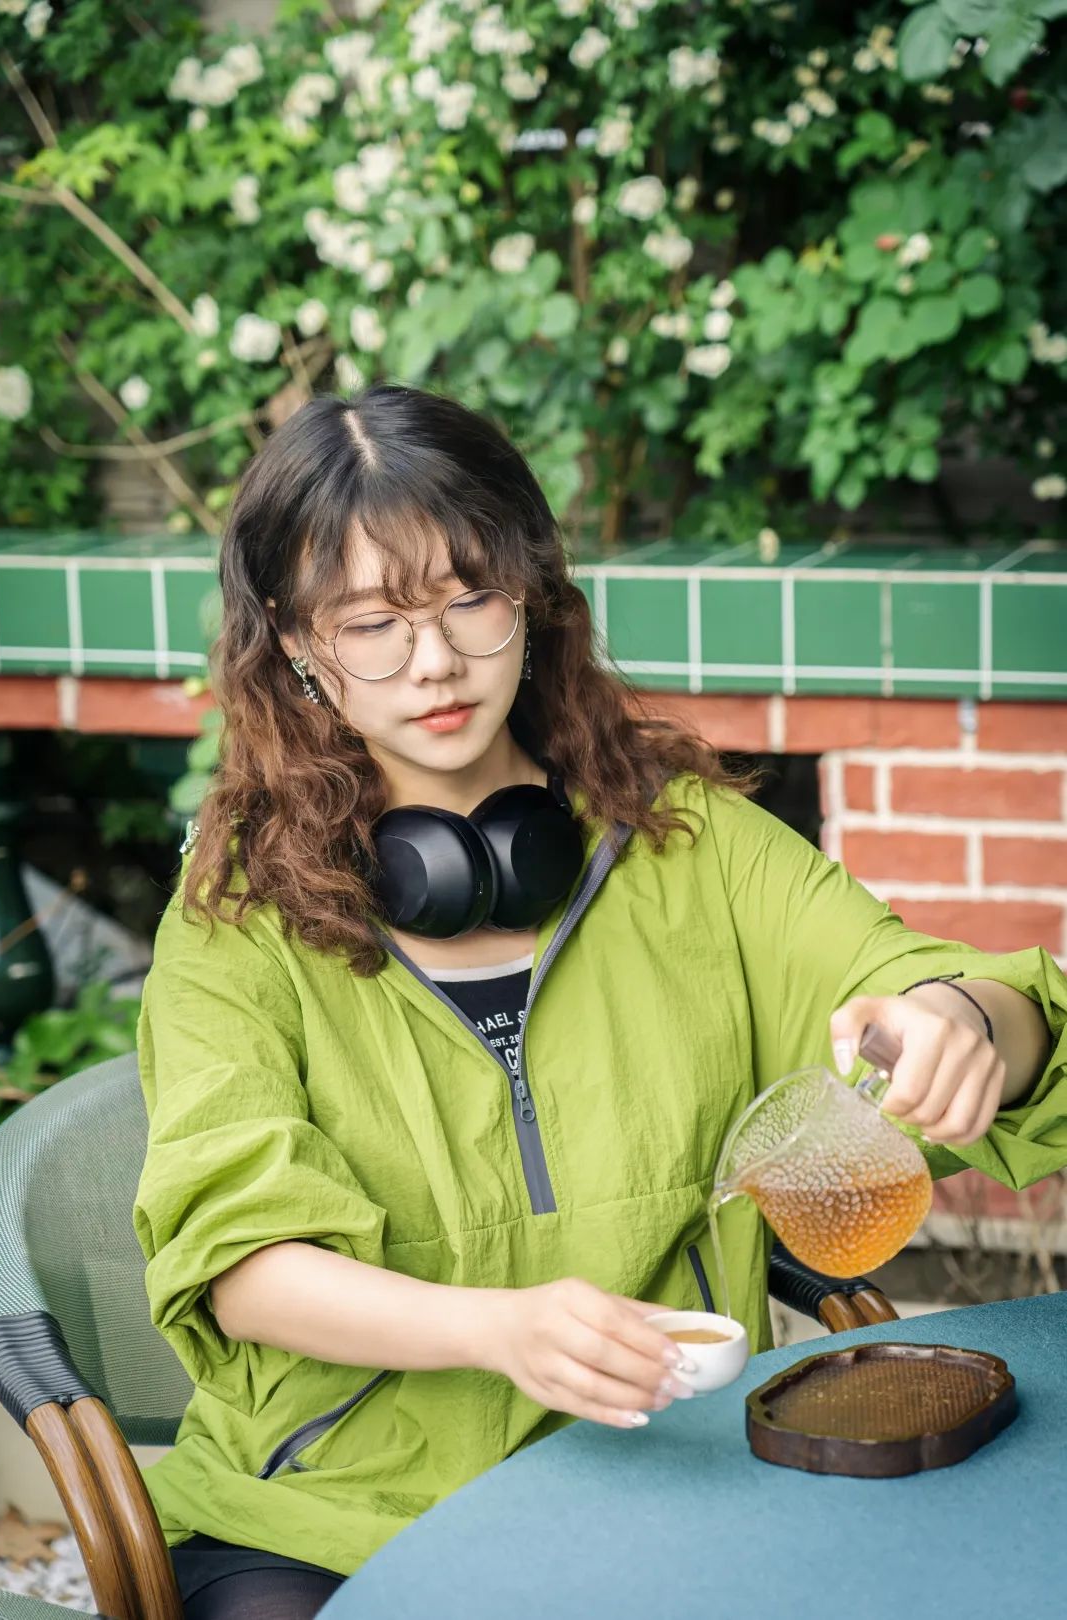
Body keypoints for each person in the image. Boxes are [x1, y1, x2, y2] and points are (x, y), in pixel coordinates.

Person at [134, 385, 1067, 1620]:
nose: (436, 661)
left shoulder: (692, 847)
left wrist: (968, 1022)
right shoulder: (237, 921)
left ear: (534, 595)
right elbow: (243, 1260)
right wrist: (495, 1329)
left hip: (670, 1471)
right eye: (371, 622)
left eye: (471, 598)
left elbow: (929, 984)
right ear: (296, 644)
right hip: (330, 1512)